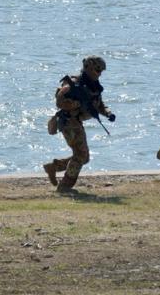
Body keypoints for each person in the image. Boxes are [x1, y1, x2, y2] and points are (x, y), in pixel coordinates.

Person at [44, 56, 115, 193]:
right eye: (97, 70)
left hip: (77, 122)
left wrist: (108, 113)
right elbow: (59, 101)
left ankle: (54, 167)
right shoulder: (75, 84)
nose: (99, 73)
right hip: (69, 122)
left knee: (84, 157)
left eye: (101, 71)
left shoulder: (94, 86)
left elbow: (99, 105)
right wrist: (76, 103)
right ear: (88, 68)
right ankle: (65, 186)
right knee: (81, 155)